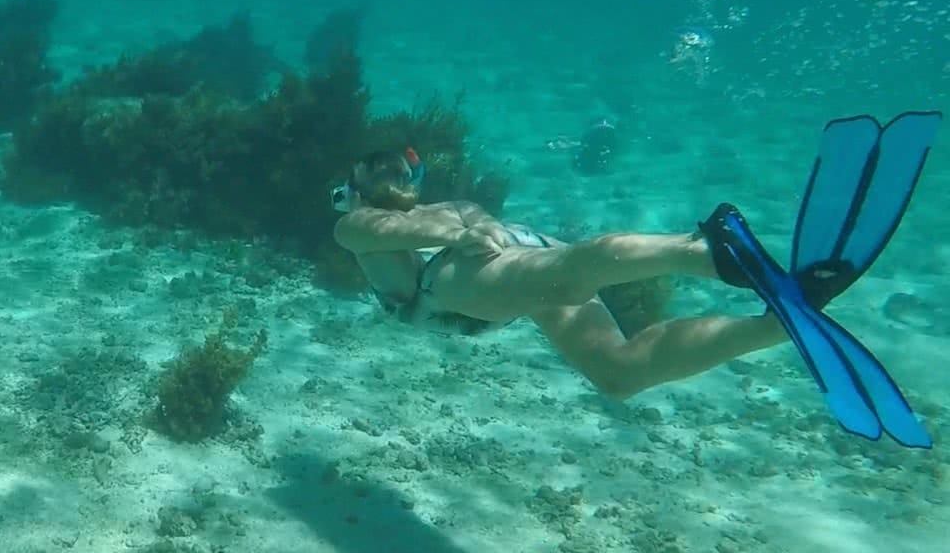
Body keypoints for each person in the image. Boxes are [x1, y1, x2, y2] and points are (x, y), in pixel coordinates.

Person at [331, 112, 940, 448]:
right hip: (505, 257)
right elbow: (414, 225)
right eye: (381, 169)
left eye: (403, 167)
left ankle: (703, 250)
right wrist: (469, 227)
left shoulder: (363, 223)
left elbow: (393, 231)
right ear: (358, 184)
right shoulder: (413, 214)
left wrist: (462, 233)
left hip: (449, 283)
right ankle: (776, 322)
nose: (394, 176)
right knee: (617, 372)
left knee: (564, 277)